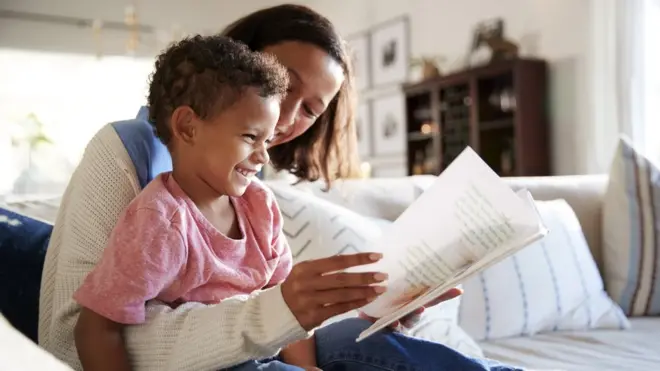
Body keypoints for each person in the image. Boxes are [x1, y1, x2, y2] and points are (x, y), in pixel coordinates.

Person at [39, 4, 524, 371]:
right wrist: (276, 315)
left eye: (311, 109)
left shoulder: (250, 190)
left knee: (380, 347)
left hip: (262, 353)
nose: (286, 122)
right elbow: (73, 337)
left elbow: (269, 307)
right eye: (285, 86)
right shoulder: (130, 163)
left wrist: (379, 310)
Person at [72, 35, 332, 371]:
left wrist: (304, 368)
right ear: (188, 127)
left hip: (262, 354)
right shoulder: (161, 222)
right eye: (251, 137)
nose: (263, 155)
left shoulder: (260, 206)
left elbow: (286, 303)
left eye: (267, 140)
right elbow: (95, 327)